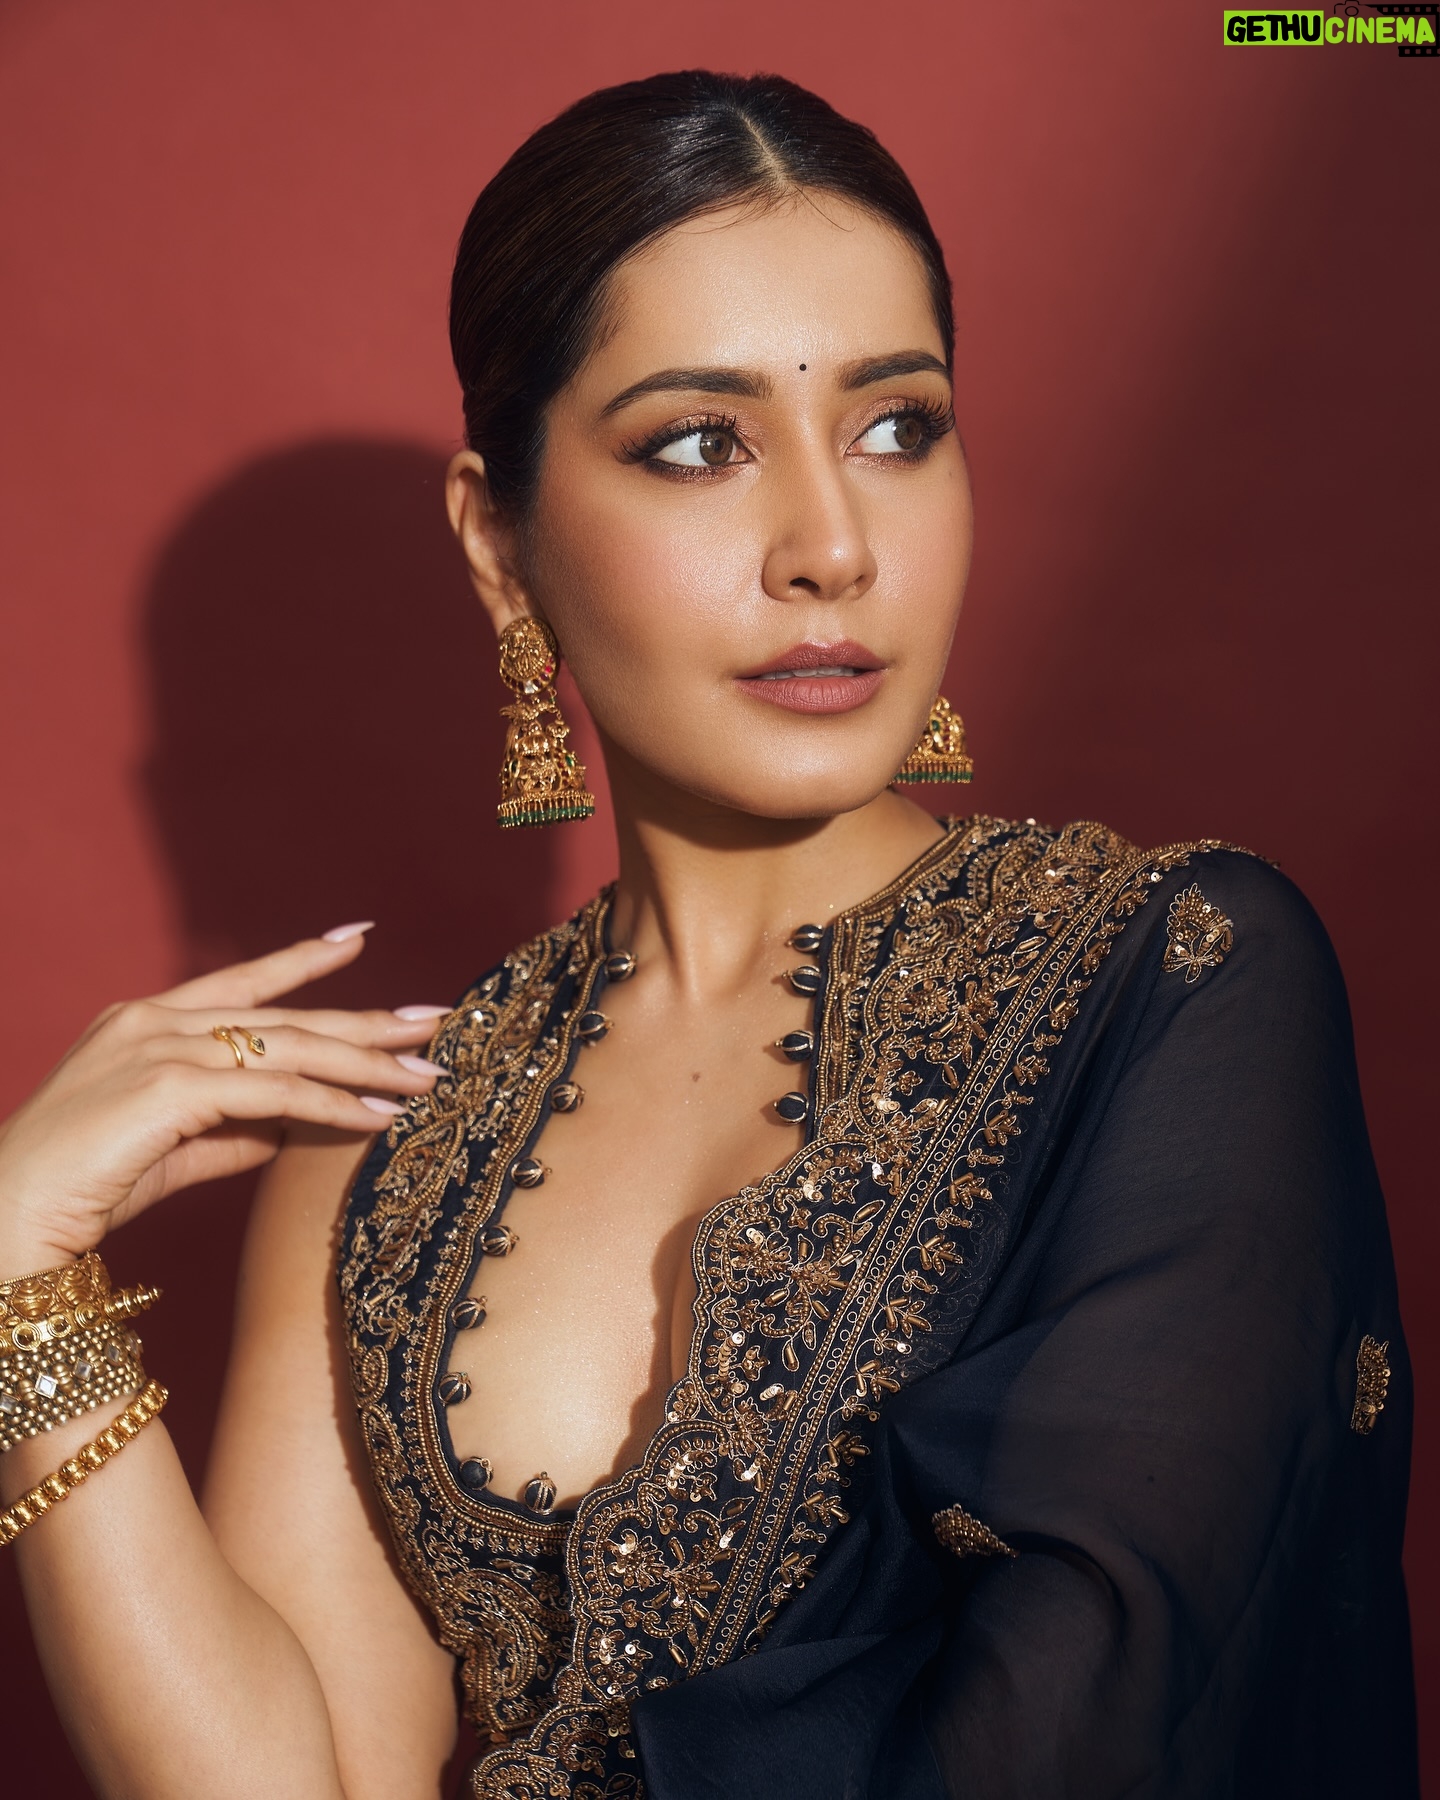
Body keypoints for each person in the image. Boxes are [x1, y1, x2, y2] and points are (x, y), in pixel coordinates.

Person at [0, 70, 1416, 1800]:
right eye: (699, 444)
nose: (833, 545)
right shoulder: (385, 1151)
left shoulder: (1169, 982)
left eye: (898, 426)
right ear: (500, 545)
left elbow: (1094, 1723)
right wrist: (26, 1292)